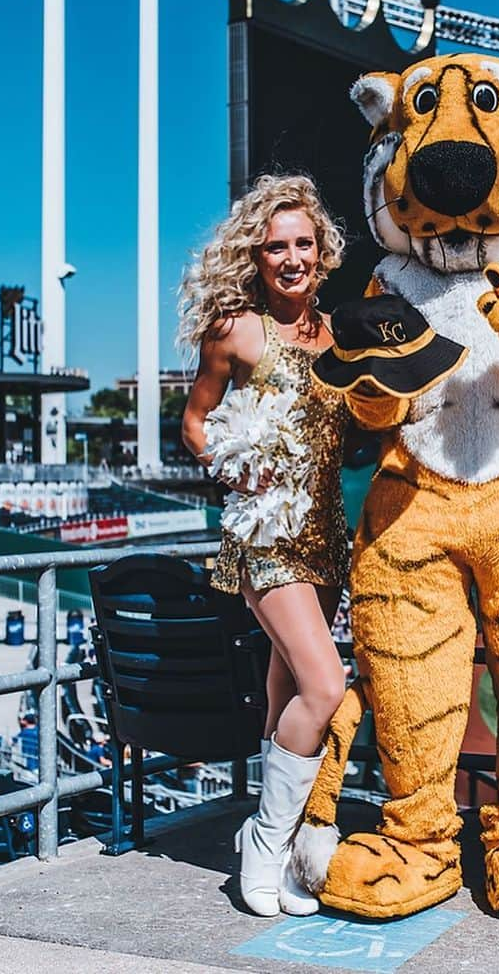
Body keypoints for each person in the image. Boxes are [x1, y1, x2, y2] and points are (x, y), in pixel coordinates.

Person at [180, 174, 350, 918]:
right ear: (258, 255)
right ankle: (263, 838)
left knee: (287, 693)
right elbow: (193, 423)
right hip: (266, 534)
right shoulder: (236, 330)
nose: (290, 258)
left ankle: (280, 854)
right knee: (325, 686)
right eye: (276, 245)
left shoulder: (339, 335)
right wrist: (232, 463)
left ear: (322, 252)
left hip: (326, 539)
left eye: (302, 245)